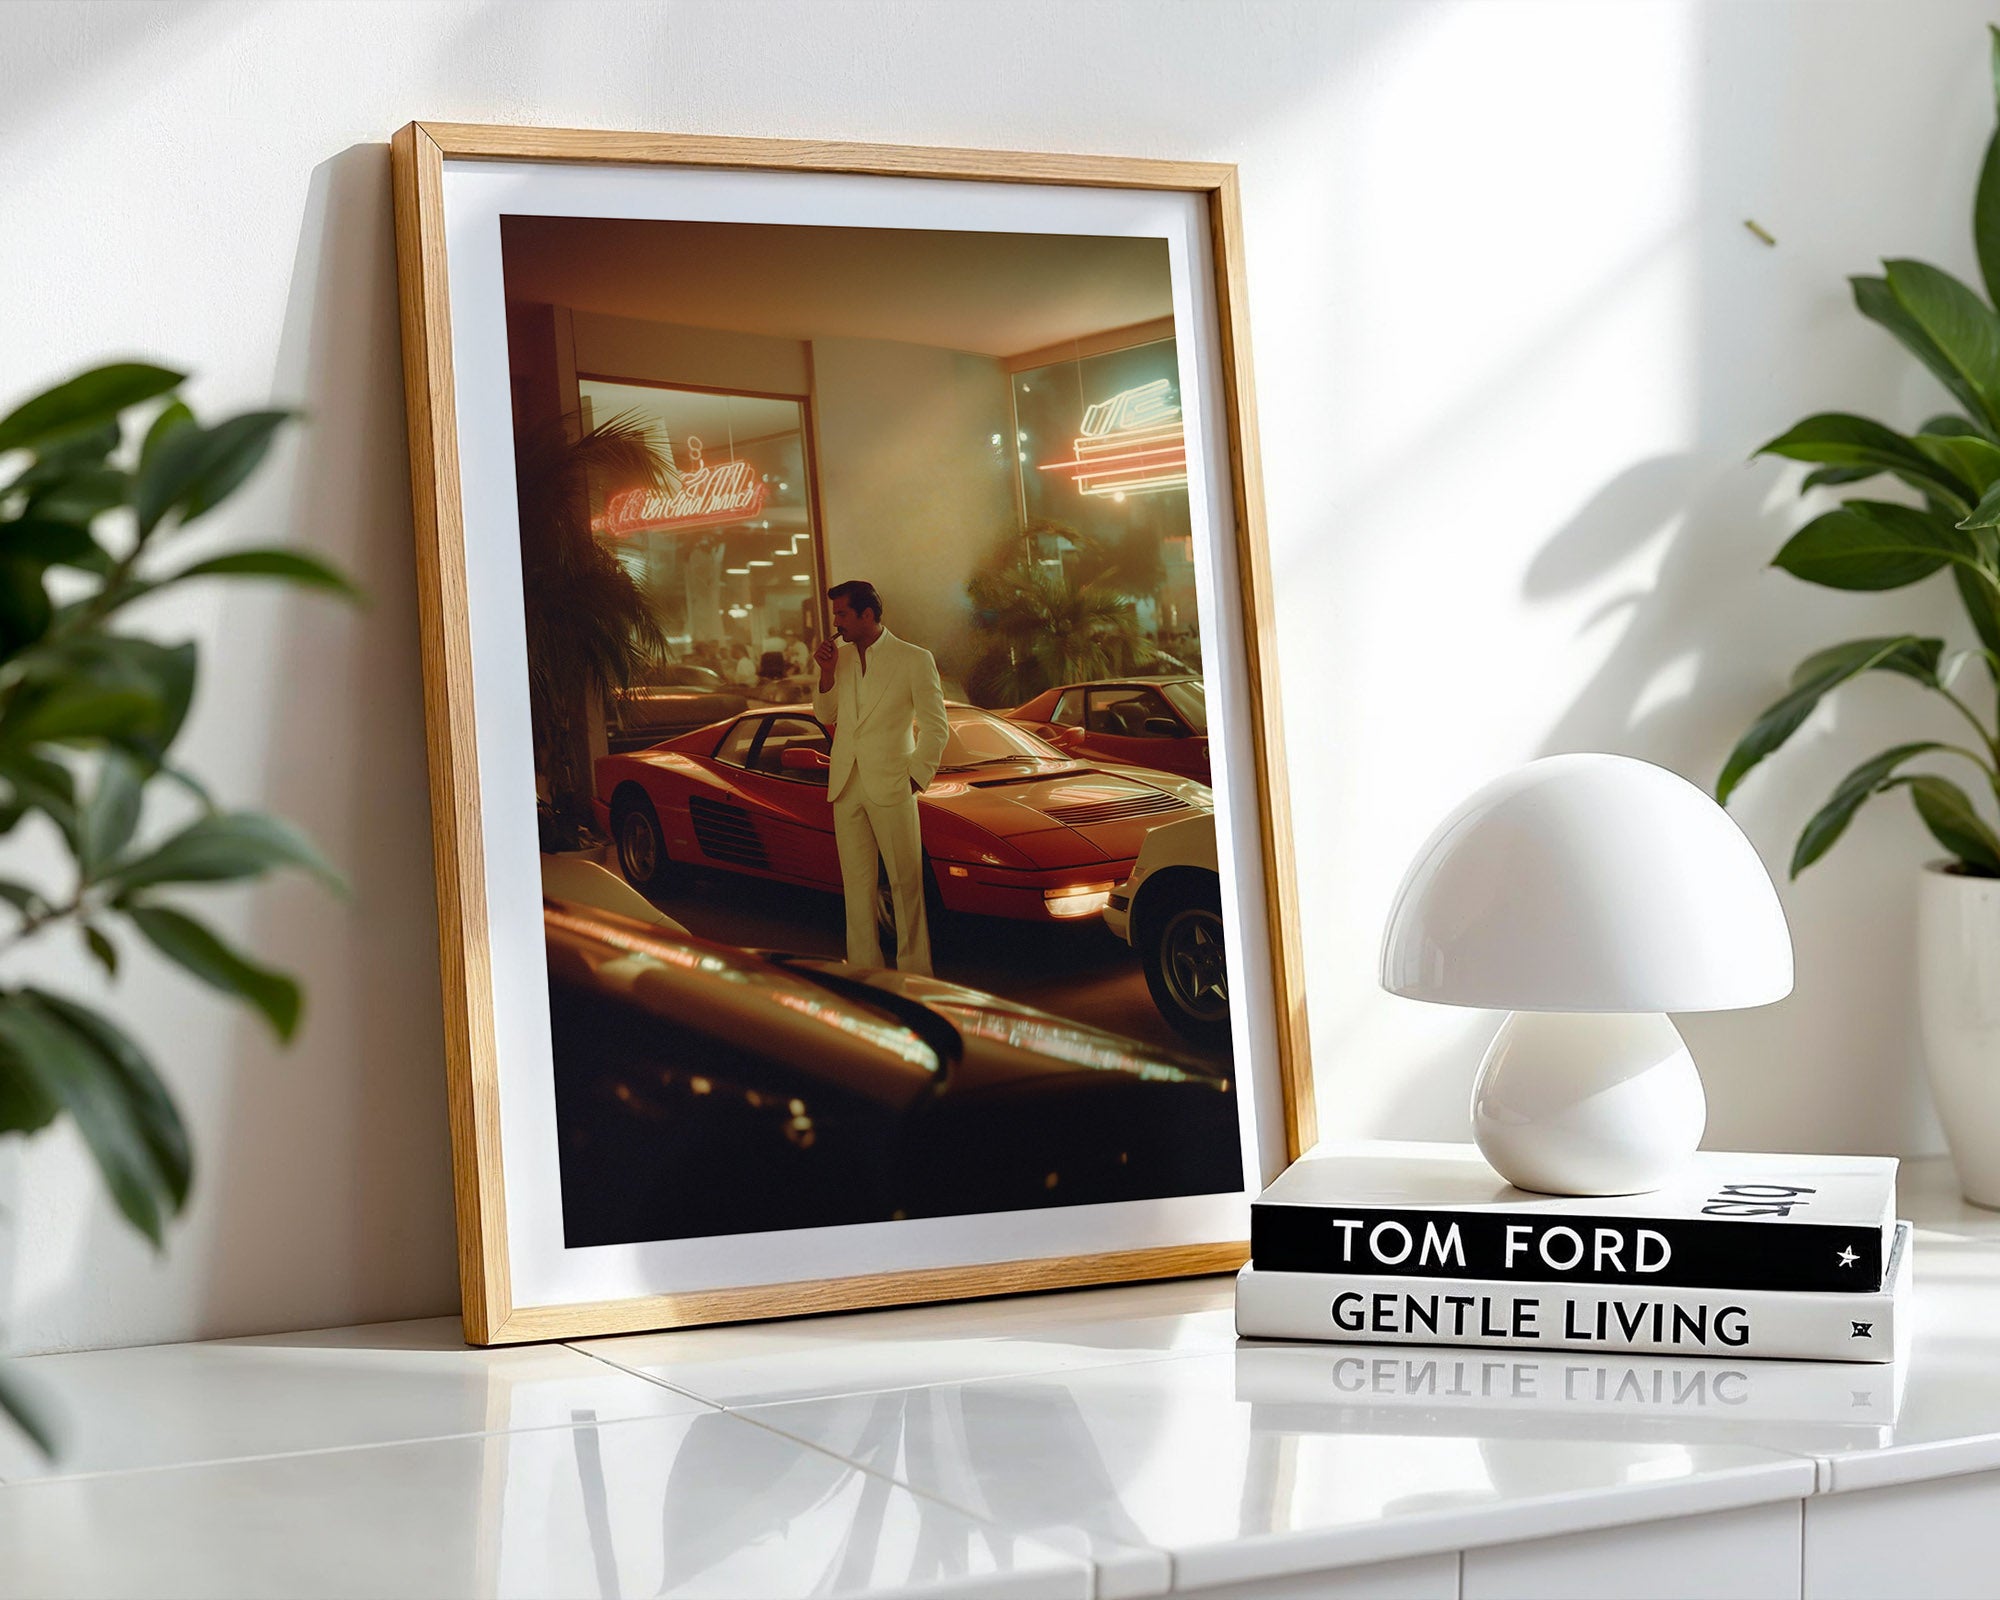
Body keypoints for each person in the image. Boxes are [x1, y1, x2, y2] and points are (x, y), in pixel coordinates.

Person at [814, 580, 949, 974]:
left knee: (907, 887)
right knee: (856, 890)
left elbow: (936, 727)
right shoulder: (837, 658)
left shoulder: (914, 658)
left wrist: (914, 776)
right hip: (846, 784)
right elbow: (826, 716)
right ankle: (864, 973)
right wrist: (825, 675)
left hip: (893, 783)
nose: (836, 623)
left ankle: (916, 975)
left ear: (866, 614)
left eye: (842, 614)